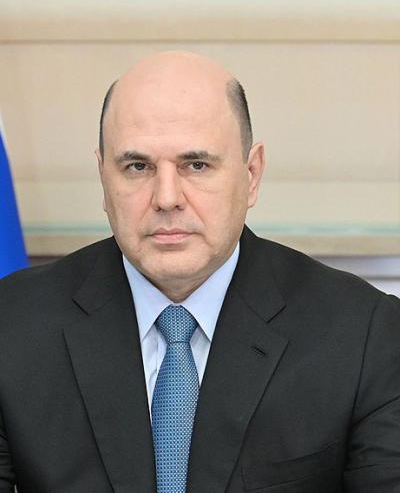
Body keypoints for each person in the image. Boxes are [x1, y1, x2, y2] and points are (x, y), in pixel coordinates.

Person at [0, 51, 399, 493]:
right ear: (103, 177)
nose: (166, 198)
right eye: (137, 167)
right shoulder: (11, 324)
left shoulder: (364, 333)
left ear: (252, 174)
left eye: (196, 165)